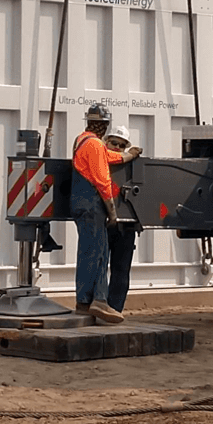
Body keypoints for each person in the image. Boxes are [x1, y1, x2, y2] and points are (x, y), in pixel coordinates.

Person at [70, 104, 140, 323]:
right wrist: (112, 212)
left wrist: (126, 157)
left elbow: (107, 157)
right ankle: (99, 300)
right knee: (98, 252)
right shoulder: (94, 145)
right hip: (92, 205)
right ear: (104, 126)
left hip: (79, 203)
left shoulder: (81, 140)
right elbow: (103, 181)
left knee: (87, 251)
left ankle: (84, 301)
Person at [104, 124, 142, 314]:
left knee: (120, 270)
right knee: (99, 267)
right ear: (106, 142)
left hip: (125, 226)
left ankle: (114, 309)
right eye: (114, 143)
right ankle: (100, 306)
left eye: (121, 145)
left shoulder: (133, 166)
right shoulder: (101, 158)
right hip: (104, 223)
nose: (117, 148)